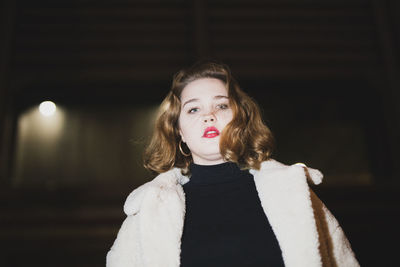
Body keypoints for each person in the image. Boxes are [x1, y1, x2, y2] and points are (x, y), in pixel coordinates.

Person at [106, 61, 359, 267]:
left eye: (221, 105)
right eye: (193, 109)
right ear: (178, 130)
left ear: (240, 118)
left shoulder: (293, 191)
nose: (209, 116)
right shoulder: (151, 207)